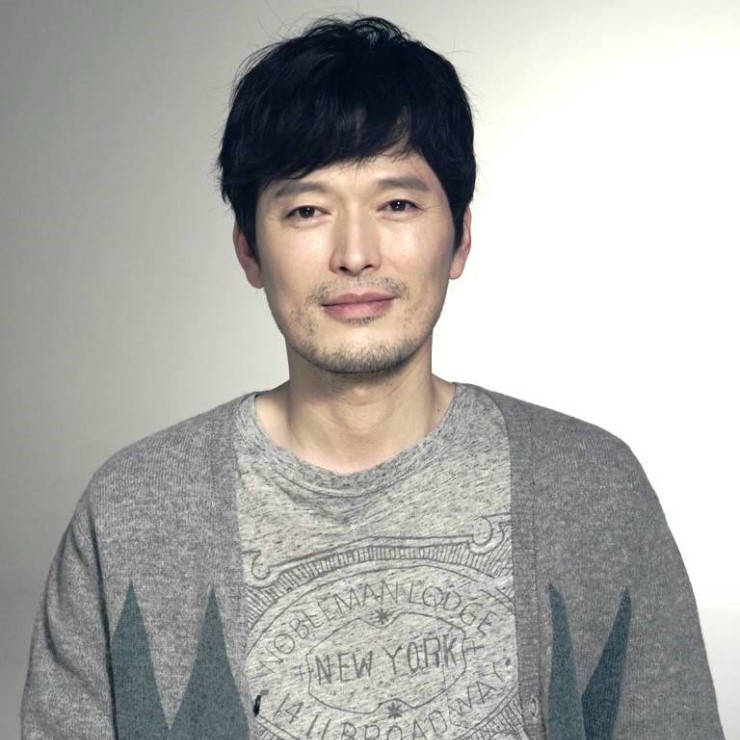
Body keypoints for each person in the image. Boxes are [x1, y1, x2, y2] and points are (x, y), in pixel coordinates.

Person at [21, 16, 724, 740]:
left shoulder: (588, 486)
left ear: (460, 237)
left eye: (397, 204)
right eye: (307, 210)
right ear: (249, 250)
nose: (355, 254)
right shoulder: (135, 511)